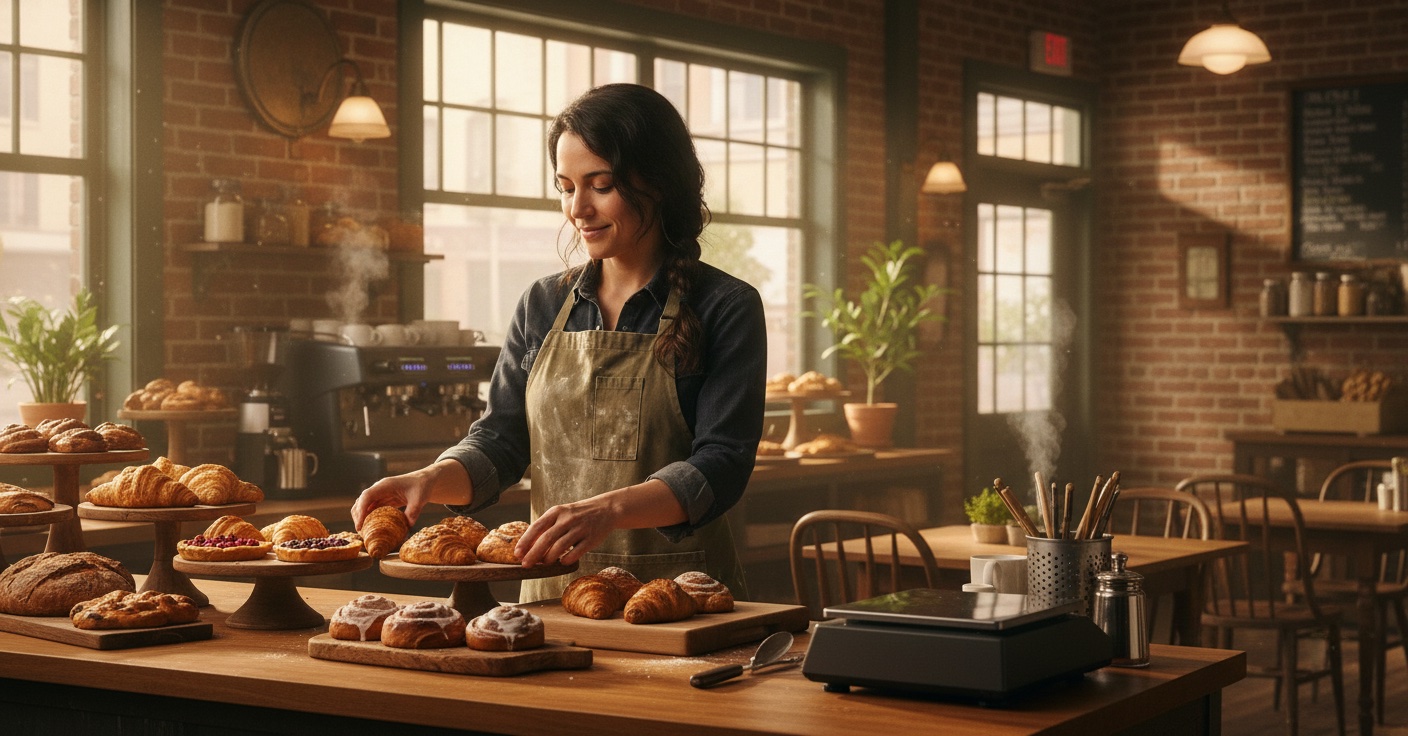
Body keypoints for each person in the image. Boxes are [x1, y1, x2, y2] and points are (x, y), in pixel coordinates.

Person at [351, 83, 767, 602]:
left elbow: (722, 465)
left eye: (600, 184)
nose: (578, 209)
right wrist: (432, 479)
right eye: (566, 187)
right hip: (551, 599)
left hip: (683, 600)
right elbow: (501, 443)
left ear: (658, 183)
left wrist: (608, 511)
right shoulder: (542, 304)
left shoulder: (725, 305)